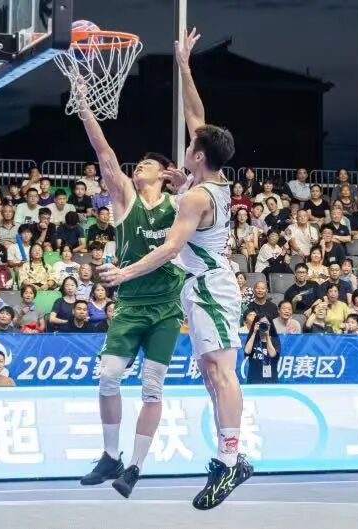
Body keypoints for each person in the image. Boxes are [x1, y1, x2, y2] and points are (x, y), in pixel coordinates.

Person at [101, 28, 252, 509]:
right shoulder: (211, 179)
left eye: (191, 146)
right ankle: (229, 456)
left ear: (198, 157)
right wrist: (185, 66)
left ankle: (230, 461)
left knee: (222, 373)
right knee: (210, 372)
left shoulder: (194, 197)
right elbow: (197, 117)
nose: (187, 143)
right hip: (200, 286)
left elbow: (168, 250)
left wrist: (124, 274)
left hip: (209, 285)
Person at [71, 66, 187, 502]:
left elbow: (208, 194)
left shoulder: (182, 204)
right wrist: (85, 105)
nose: (139, 166)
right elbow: (103, 151)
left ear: (164, 173)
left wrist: (188, 183)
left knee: (152, 387)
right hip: (132, 305)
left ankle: (135, 466)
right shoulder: (124, 198)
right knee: (108, 377)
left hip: (167, 308)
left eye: (148, 164)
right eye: (137, 164)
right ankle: (110, 456)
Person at [244, 314, 280, 383]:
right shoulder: (253, 339)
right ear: (256, 324)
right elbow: (247, 351)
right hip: (254, 380)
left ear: (270, 325)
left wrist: (267, 336)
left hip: (271, 381)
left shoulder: (275, 339)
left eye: (266, 324)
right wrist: (254, 332)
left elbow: (272, 354)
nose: (263, 325)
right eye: (261, 323)